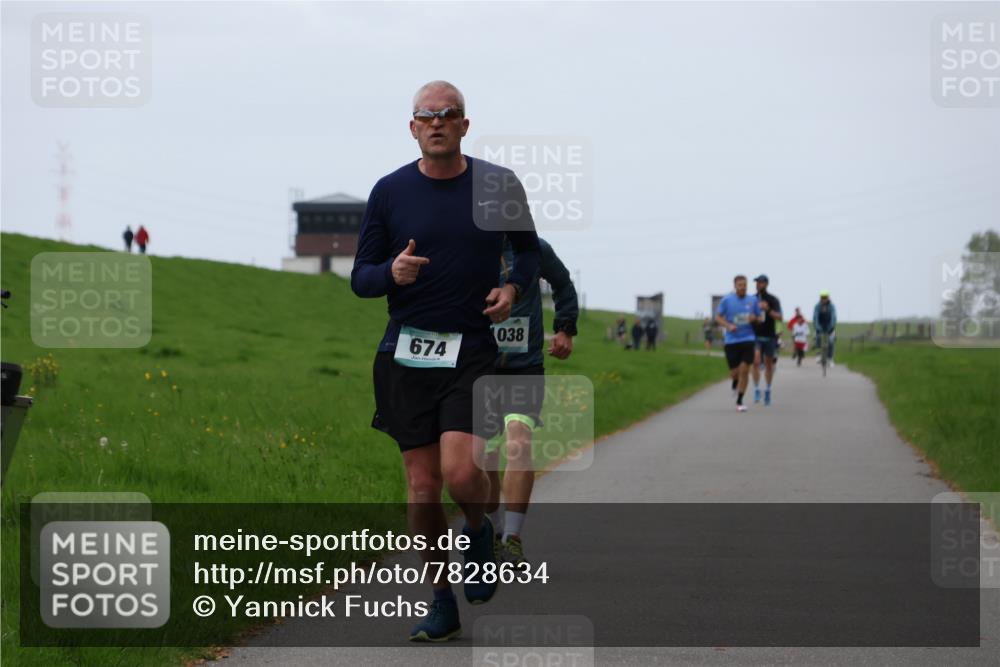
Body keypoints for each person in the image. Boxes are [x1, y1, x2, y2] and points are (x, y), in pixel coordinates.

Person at [350, 80, 540, 642]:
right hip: (405, 353)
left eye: (447, 114)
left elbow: (527, 250)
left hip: (472, 350)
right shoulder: (388, 192)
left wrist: (511, 289)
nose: (436, 122)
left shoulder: (497, 185)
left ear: (464, 124)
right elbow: (361, 277)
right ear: (413, 128)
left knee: (462, 472)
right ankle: (439, 599)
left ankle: (479, 529)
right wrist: (390, 273)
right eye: (425, 115)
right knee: (422, 486)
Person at [483, 236, 577, 567]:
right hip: (478, 368)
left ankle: (512, 539)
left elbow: (563, 284)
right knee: (483, 457)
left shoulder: (535, 248)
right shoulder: (465, 242)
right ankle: (493, 535)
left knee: (519, 444)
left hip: (524, 367)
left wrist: (565, 328)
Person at [716, 275, 761, 412]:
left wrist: (755, 318)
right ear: (735, 286)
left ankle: (740, 400)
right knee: (735, 372)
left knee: (745, 369)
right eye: (740, 285)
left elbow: (761, 317)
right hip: (731, 340)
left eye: (745, 285)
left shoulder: (753, 300)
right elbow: (718, 317)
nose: (743, 287)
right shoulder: (727, 300)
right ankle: (735, 381)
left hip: (748, 339)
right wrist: (728, 326)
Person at [750, 274, 782, 406]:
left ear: (766, 284)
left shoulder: (773, 299)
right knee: (756, 361)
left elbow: (779, 317)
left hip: (769, 336)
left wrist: (767, 309)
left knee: (769, 364)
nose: (758, 284)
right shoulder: (751, 299)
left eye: (761, 282)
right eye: (757, 282)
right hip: (754, 335)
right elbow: (746, 315)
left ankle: (768, 389)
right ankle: (757, 389)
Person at [813, 291, 838, 365]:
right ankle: (818, 354)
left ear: (828, 298)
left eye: (825, 298)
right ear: (820, 298)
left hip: (829, 325)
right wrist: (817, 327)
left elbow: (833, 317)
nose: (824, 299)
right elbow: (815, 317)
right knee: (817, 337)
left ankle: (830, 358)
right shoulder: (817, 306)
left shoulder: (832, 306)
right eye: (822, 298)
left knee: (831, 341)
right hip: (820, 325)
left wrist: (832, 326)